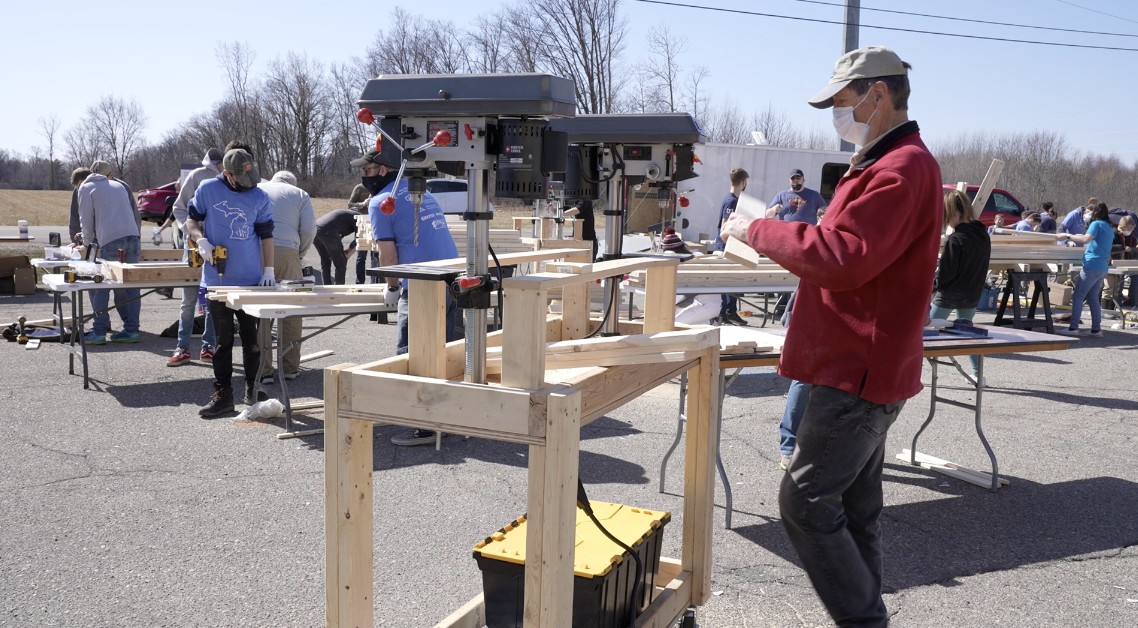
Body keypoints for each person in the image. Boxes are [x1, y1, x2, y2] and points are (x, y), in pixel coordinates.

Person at [721, 45, 941, 628]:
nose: (836, 116)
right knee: (853, 510)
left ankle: (865, 622)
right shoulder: (883, 163)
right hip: (859, 364)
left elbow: (845, 257)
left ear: (879, 94)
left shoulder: (901, 168)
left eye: (842, 103)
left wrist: (759, 230)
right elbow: (842, 250)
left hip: (858, 369)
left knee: (806, 502)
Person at [355, 148, 460, 446]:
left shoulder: (381, 203)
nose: (364, 176)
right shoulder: (422, 192)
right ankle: (446, 418)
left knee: (411, 354)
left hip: (420, 285)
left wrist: (391, 287)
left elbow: (388, 255)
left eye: (368, 170)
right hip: (449, 278)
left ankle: (423, 426)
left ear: (384, 171)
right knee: (444, 352)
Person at [185, 149, 276, 417]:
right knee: (223, 341)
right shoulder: (207, 189)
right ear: (227, 174)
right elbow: (192, 219)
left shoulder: (259, 195)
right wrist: (200, 239)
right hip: (218, 280)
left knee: (252, 341)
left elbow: (267, 235)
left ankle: (254, 388)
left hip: (251, 280)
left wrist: (268, 269)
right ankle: (223, 394)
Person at [256, 171, 315, 382]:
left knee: (260, 311)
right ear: (292, 183)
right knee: (292, 310)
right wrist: (299, 253)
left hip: (257, 252)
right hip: (289, 251)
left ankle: (263, 370)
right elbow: (308, 230)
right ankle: (289, 368)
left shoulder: (256, 189)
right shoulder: (300, 194)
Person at [167, 148, 223, 366]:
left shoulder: (228, 178)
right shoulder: (197, 175)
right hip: (193, 245)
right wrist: (191, 233)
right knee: (189, 299)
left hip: (217, 247)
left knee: (212, 298)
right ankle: (182, 347)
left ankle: (208, 346)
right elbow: (179, 208)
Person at [78, 160, 144, 345]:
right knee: (131, 287)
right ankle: (131, 330)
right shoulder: (119, 186)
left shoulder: (86, 187)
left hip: (111, 241)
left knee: (101, 286)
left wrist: (87, 244)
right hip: (133, 237)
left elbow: (86, 220)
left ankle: (99, 332)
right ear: (108, 174)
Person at [930, 190, 992, 384]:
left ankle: (907, 374)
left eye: (947, 217)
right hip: (972, 293)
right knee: (968, 335)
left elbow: (945, 274)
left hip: (949, 294)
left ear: (955, 213)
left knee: (923, 334)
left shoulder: (955, 239)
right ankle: (977, 374)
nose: (947, 222)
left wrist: (931, 287)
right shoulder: (983, 236)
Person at [1056, 202, 1113, 338]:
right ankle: (1096, 329)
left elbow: (1086, 239)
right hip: (1101, 267)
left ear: (1095, 212)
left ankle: (1073, 327)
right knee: (1093, 298)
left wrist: (1067, 236)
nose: (1085, 215)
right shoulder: (1108, 226)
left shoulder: (1096, 224)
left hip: (1092, 266)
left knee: (1078, 296)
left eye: (1087, 212)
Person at [713, 168, 749, 326]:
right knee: (728, 282)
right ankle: (725, 314)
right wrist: (735, 247)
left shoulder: (731, 199)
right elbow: (725, 227)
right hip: (726, 247)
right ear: (743, 182)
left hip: (728, 246)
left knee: (732, 282)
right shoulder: (732, 201)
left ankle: (729, 312)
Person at [313, 209, 359, 285]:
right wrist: (350, 253)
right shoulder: (361, 218)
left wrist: (333, 251)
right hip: (328, 231)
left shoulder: (346, 216)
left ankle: (326, 289)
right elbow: (361, 238)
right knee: (341, 262)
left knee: (325, 260)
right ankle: (339, 289)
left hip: (314, 229)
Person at [348, 181, 378, 283]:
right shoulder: (359, 188)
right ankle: (359, 282)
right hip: (363, 223)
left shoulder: (379, 186)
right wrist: (362, 204)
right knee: (361, 257)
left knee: (375, 257)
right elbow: (350, 205)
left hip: (376, 224)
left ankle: (374, 282)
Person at [67, 167, 92, 244]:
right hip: (85, 236)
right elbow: (74, 216)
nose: (78, 189)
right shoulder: (77, 190)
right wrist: (74, 240)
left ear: (82, 181)